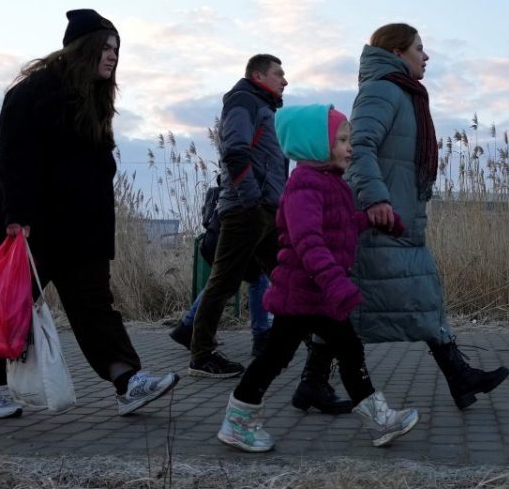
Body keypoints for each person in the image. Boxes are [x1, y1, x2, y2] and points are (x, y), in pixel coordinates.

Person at [0, 9, 178, 419]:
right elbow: (15, 158)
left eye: (117, 50)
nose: (113, 57)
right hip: (35, 227)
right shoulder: (33, 92)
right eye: (106, 47)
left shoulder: (92, 98)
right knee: (11, 307)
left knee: (95, 306)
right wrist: (17, 216)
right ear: (85, 48)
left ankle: (127, 381)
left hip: (82, 228)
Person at [217, 104, 418, 452]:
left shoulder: (331, 185)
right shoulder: (304, 186)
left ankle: (379, 419)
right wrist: (336, 283)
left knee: (347, 348)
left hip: (318, 295)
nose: (349, 148)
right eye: (341, 140)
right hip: (302, 294)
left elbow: (339, 229)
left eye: (349, 140)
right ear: (314, 145)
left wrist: (372, 219)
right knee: (275, 358)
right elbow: (308, 241)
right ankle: (237, 422)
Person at [343, 22, 509, 411]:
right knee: (406, 298)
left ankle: (459, 377)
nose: (426, 55)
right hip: (382, 217)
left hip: (399, 216)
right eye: (419, 47)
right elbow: (359, 146)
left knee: (415, 296)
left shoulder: (403, 92)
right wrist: (376, 199)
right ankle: (458, 375)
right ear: (398, 53)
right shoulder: (383, 89)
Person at [187, 55, 352, 414]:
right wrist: (249, 198)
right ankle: (201, 353)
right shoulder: (243, 100)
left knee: (294, 279)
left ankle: (314, 362)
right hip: (247, 209)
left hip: (268, 208)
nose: (285, 80)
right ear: (257, 74)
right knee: (224, 281)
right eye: (279, 73)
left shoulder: (265, 105)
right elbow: (234, 149)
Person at [168, 179, 274, 358]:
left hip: (215, 236)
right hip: (232, 233)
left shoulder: (231, 184)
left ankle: (187, 326)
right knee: (257, 278)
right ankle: (261, 337)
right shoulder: (250, 180)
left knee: (222, 280)